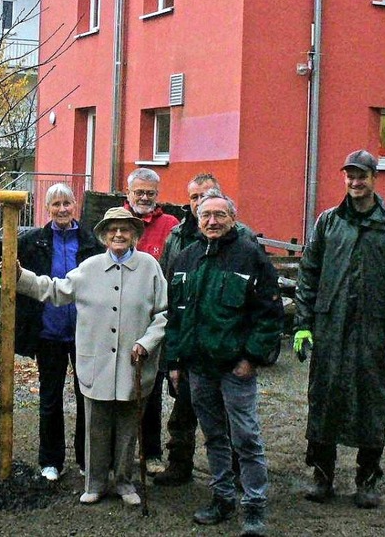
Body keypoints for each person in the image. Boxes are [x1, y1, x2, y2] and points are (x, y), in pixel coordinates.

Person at [15, 206, 168, 506]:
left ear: (135, 234)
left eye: (125, 229)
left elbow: (162, 314)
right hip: (96, 361)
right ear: (104, 235)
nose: (119, 234)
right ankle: (95, 482)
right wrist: (21, 276)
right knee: (96, 425)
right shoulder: (90, 267)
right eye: (113, 230)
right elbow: (55, 290)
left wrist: (147, 343)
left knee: (127, 426)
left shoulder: (150, 267)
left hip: (133, 363)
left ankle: (124, 482)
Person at [294, 149, 385, 509]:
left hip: (374, 332)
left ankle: (367, 480)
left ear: (374, 178)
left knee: (372, 403)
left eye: (361, 175)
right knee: (324, 399)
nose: (355, 181)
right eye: (349, 175)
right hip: (331, 327)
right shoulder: (328, 222)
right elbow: (309, 273)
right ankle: (322, 477)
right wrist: (303, 325)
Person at [165, 191, 283, 537]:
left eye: (220, 215)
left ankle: (255, 506)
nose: (212, 221)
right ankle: (222, 497)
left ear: (233, 217)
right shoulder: (186, 258)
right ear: (197, 219)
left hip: (235, 368)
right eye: (206, 215)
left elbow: (270, 314)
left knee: (246, 438)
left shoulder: (251, 257)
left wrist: (252, 358)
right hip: (199, 368)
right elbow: (175, 316)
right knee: (214, 436)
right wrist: (175, 361)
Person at [0, 183, 102, 481]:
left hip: (85, 333)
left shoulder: (91, 243)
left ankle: (88, 459)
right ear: (47, 209)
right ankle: (51, 460)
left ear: (76, 205)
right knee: (50, 398)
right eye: (56, 204)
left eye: (67, 203)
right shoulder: (34, 241)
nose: (62, 209)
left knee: (88, 396)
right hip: (49, 333)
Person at [123, 167, 179, 469]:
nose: (144, 197)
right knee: (118, 389)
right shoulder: (116, 221)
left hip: (156, 316)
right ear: (128, 193)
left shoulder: (170, 225)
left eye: (150, 193)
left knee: (152, 388)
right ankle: (119, 452)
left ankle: (151, 452)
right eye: (139, 192)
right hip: (120, 314)